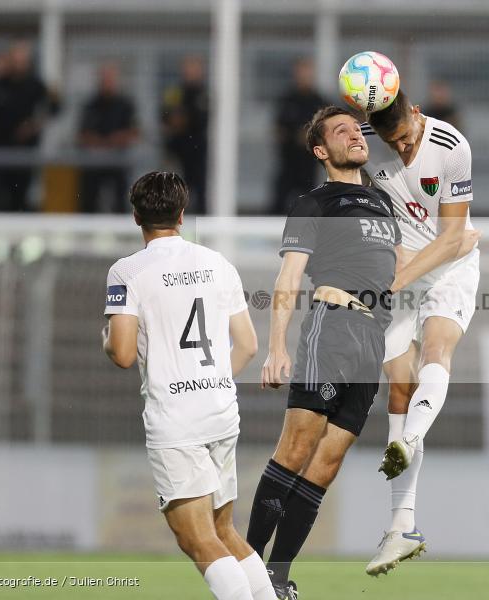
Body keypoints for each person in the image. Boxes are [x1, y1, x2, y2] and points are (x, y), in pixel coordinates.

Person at [246, 106, 400, 599]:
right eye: (341, 131)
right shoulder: (315, 202)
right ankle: (244, 572)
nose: (355, 135)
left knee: (326, 464)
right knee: (294, 451)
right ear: (320, 150)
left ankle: (277, 576)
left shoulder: (384, 203)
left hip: (371, 340)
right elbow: (288, 278)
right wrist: (276, 348)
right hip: (332, 328)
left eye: (358, 129)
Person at [102, 171, 276, 600]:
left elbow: (122, 354)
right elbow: (249, 345)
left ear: (135, 217)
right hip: (219, 412)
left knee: (197, 540)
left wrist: (105, 336)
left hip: (175, 421)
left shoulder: (127, 271)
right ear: (181, 214)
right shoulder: (218, 263)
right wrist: (208, 382)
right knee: (222, 529)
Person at [359, 88, 481, 576]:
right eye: (395, 144)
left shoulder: (452, 146)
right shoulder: (368, 139)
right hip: (401, 266)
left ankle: (408, 441)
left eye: (407, 139)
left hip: (449, 267)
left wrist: (396, 278)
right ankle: (402, 525)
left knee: (437, 347)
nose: (404, 149)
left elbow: (454, 238)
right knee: (399, 386)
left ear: (416, 113)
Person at [0, 42, 59, 211]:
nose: (19, 63)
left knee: (17, 201)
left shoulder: (35, 85)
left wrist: (33, 125)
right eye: (16, 58)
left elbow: (54, 107)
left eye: (23, 59)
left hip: (22, 153)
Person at [269, 57, 328, 215]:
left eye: (307, 72)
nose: (304, 76)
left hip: (309, 164)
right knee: (278, 203)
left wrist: (309, 138)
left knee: (309, 205)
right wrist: (294, 136)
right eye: (301, 72)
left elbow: (326, 131)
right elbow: (278, 128)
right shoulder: (287, 99)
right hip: (288, 161)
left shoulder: (319, 101)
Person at [77, 62, 140, 213]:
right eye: (105, 78)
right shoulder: (90, 105)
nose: (108, 82)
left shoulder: (125, 105)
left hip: (118, 162)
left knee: (120, 202)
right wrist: (101, 143)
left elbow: (134, 132)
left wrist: (116, 140)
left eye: (110, 78)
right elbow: (82, 134)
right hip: (94, 162)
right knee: (88, 201)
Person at [161, 56, 209, 211]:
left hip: (197, 150)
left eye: (193, 69)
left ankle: (201, 221)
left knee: (199, 188)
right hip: (176, 149)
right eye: (187, 69)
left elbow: (200, 120)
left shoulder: (203, 94)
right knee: (174, 188)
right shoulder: (175, 92)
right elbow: (166, 116)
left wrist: (183, 120)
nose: (189, 73)